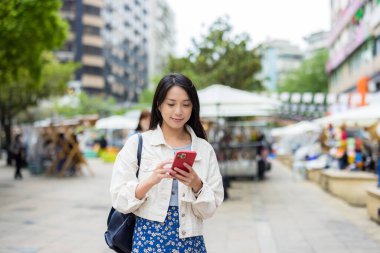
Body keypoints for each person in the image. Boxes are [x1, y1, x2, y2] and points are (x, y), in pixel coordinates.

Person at [110, 73, 224, 252]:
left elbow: (210, 210)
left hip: (190, 241)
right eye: (171, 104)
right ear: (158, 105)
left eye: (186, 104)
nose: (178, 111)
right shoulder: (138, 143)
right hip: (148, 239)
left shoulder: (204, 149)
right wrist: (150, 180)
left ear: (193, 107)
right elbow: (119, 200)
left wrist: (197, 184)